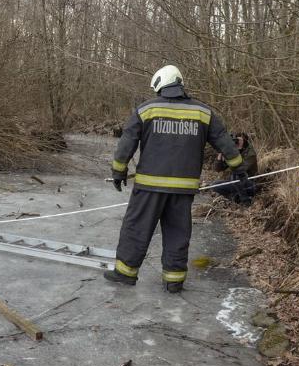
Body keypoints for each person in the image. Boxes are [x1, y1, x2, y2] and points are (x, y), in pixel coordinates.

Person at [104, 65, 246, 293]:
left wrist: (118, 172)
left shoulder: (146, 110)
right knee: (178, 233)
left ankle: (125, 273)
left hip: (150, 187)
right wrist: (239, 168)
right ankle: (174, 280)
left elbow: (126, 143)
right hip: (184, 189)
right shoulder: (203, 112)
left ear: (160, 84)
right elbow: (223, 141)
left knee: (136, 228)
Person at [211, 132, 258, 205]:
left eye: (239, 140)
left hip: (250, 183)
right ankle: (235, 198)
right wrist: (220, 155)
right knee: (215, 185)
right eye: (235, 141)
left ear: (245, 141)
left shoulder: (250, 153)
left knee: (236, 176)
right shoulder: (232, 152)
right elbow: (217, 169)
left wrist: (235, 154)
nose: (237, 142)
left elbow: (241, 169)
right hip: (235, 183)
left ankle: (246, 202)